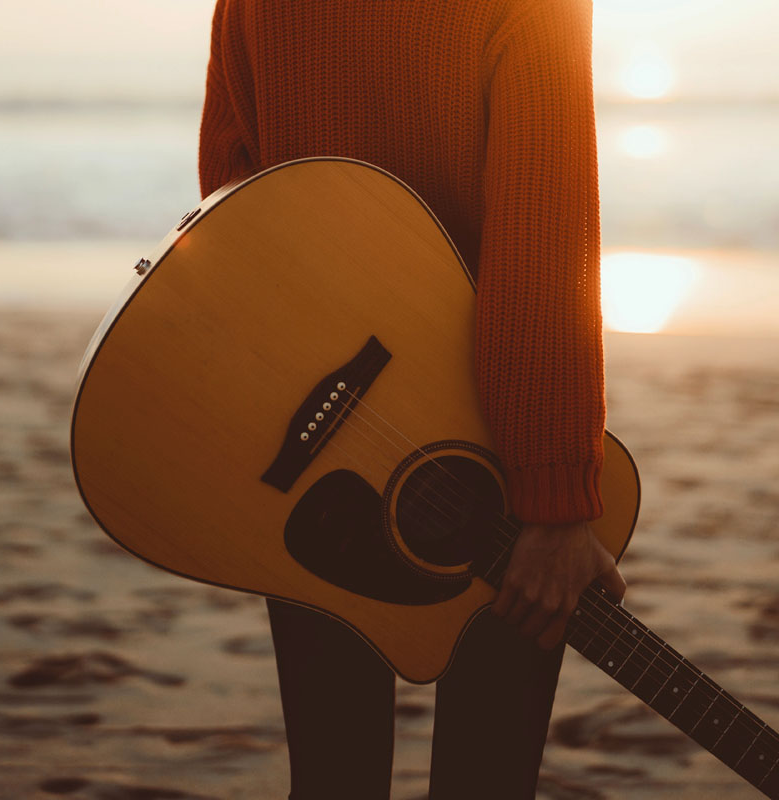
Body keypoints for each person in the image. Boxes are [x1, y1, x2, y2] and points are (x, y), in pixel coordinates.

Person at [198, 1, 626, 797]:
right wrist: (556, 502)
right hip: (484, 450)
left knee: (331, 778)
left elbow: (231, 207)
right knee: (487, 779)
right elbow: (540, 237)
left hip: (304, 438)